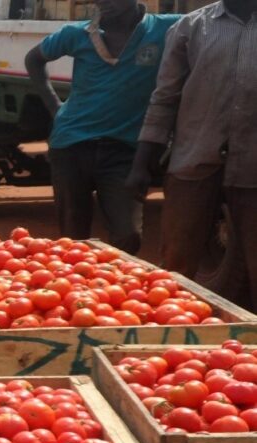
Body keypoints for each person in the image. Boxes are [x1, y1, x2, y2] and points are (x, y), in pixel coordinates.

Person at [127, 0, 257, 308]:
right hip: (194, 159)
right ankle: (173, 333)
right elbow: (165, 97)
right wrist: (141, 163)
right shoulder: (191, 27)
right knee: (177, 265)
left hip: (253, 166)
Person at [25, 0, 179, 254]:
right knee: (73, 239)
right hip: (71, 146)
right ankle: (77, 280)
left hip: (124, 151)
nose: (103, 3)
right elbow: (34, 59)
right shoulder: (76, 34)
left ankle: (115, 279)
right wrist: (55, 107)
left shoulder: (167, 28)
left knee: (128, 235)